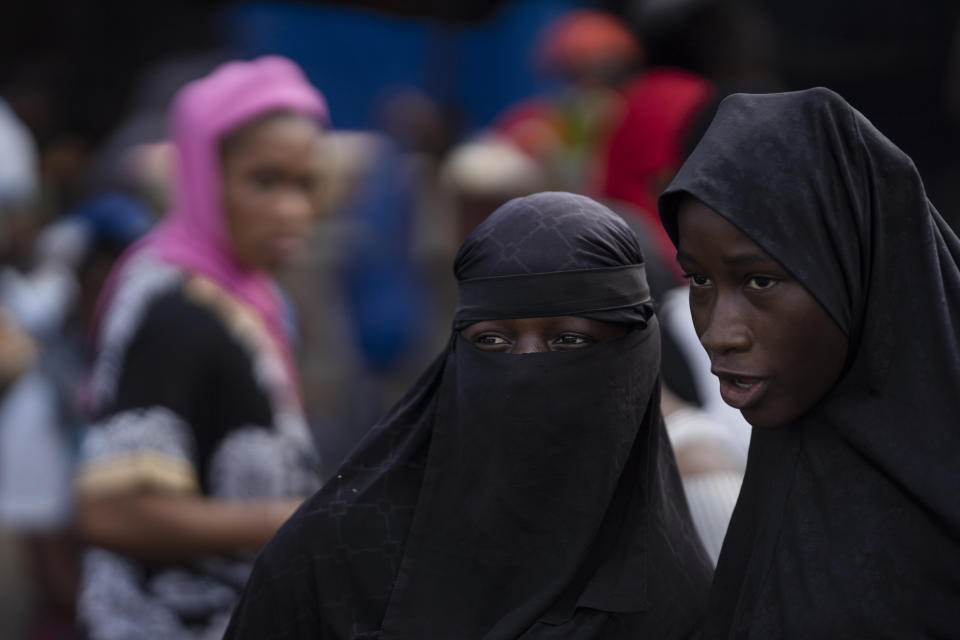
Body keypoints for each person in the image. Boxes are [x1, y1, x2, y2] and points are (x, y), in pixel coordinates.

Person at [224, 192, 712, 639]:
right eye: (493, 342)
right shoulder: (331, 558)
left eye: (568, 340)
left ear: (634, 358)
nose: (524, 369)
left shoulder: (675, 597)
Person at [658, 87, 960, 637]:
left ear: (854, 272)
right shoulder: (780, 482)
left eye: (760, 281)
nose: (718, 335)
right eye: (699, 279)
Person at [73, 57, 328, 639]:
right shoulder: (175, 312)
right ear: (203, 178)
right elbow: (111, 510)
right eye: (265, 181)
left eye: (305, 183)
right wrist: (298, 520)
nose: (292, 210)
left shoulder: (248, 296)